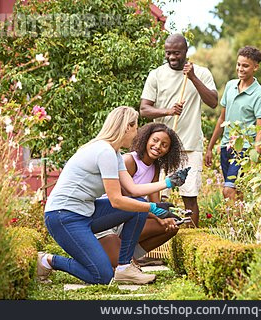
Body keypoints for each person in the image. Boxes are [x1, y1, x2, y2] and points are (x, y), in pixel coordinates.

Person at [38, 106, 189, 285]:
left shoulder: (114, 153)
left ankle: (125, 268)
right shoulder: (104, 152)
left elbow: (133, 190)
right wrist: (152, 208)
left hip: (86, 212)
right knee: (102, 276)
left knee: (137, 206)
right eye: (135, 127)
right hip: (63, 216)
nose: (137, 133)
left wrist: (169, 183)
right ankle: (47, 260)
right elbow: (116, 200)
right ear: (126, 127)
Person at [140, 33, 218, 227]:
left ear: (186, 51)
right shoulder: (156, 75)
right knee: (157, 201)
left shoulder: (201, 72)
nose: (172, 57)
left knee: (189, 198)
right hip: (160, 147)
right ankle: (157, 246)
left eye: (176, 53)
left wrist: (192, 78)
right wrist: (168, 110)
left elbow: (213, 102)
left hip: (189, 146)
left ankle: (190, 240)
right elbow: (144, 109)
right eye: (168, 53)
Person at [95, 122, 189, 268]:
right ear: (146, 139)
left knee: (171, 225)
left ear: (169, 150)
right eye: (155, 140)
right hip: (110, 220)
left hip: (131, 219)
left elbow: (155, 202)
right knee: (114, 268)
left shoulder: (155, 167)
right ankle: (121, 254)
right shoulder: (129, 161)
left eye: (164, 145)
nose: (158, 146)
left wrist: (165, 218)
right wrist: (158, 216)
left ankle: (132, 256)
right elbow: (128, 199)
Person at [205, 46, 261, 201]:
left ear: (256, 67)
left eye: (245, 65)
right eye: (239, 64)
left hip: (244, 149)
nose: (240, 69)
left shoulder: (260, 94)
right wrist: (210, 147)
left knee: (228, 190)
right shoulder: (230, 86)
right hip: (226, 147)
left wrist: (255, 156)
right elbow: (222, 119)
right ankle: (243, 224)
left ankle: (231, 225)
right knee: (237, 193)